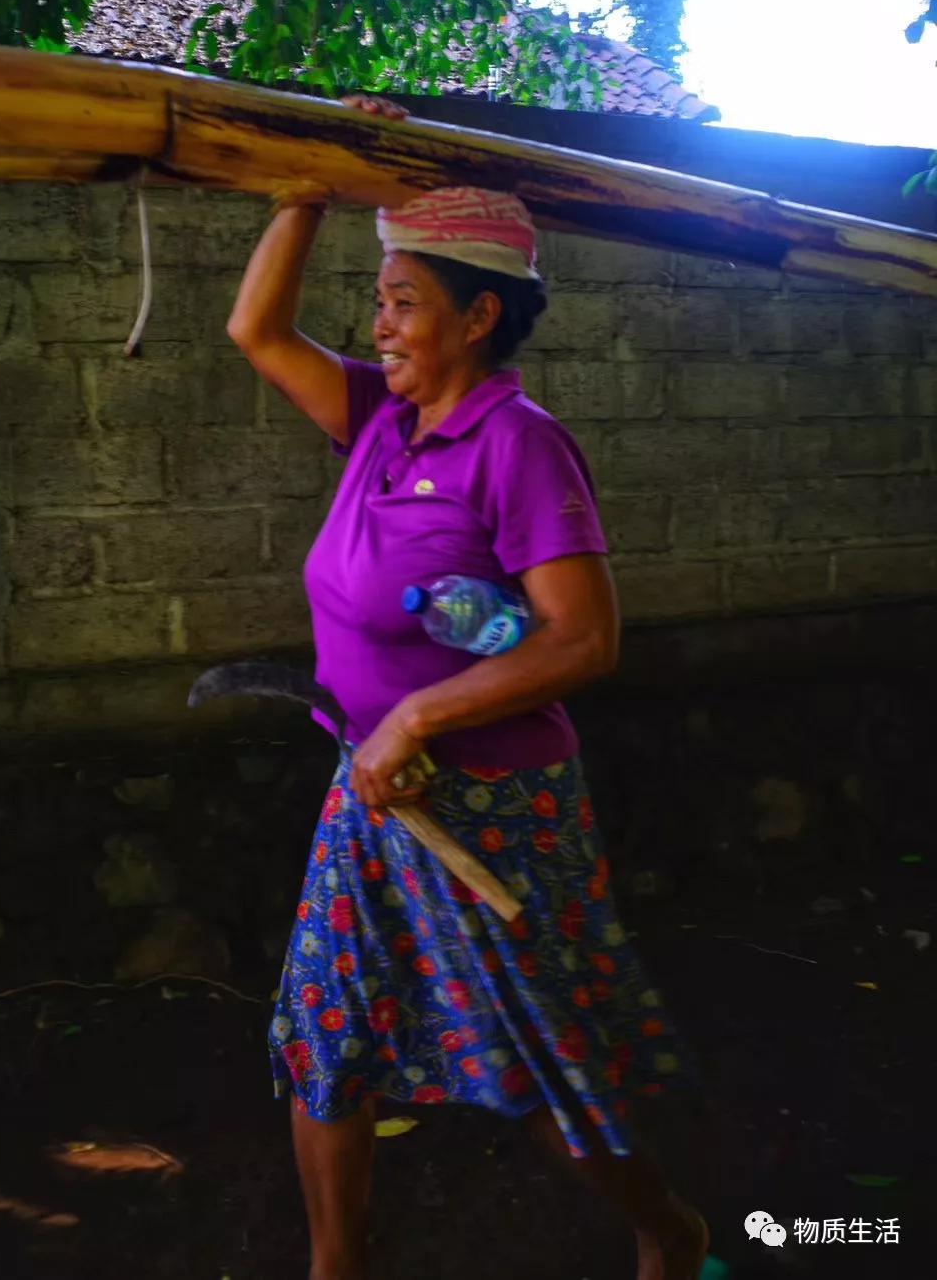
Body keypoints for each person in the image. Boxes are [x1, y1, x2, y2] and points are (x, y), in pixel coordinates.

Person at [227, 98, 709, 1280]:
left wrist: (417, 716)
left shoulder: (519, 446)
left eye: (403, 301)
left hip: (491, 805)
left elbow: (582, 641)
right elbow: (256, 329)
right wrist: (310, 181)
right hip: (372, 793)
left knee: (541, 1064)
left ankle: (668, 1228)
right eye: (380, 299)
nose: (379, 323)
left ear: (479, 315)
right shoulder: (380, 421)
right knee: (327, 1029)